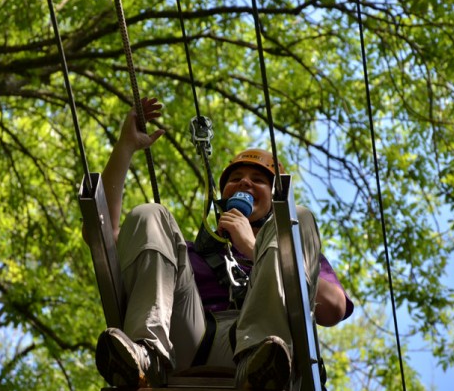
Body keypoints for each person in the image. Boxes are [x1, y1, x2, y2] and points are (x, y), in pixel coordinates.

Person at [90, 97, 354, 390]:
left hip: (266, 346)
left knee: (298, 218)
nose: (245, 183)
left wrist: (253, 248)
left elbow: (333, 309)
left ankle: (260, 366)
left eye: (258, 180)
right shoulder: (189, 254)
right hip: (189, 340)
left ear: (271, 197)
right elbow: (108, 241)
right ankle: (146, 355)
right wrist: (125, 147)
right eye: (236, 178)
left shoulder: (292, 247)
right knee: (150, 214)